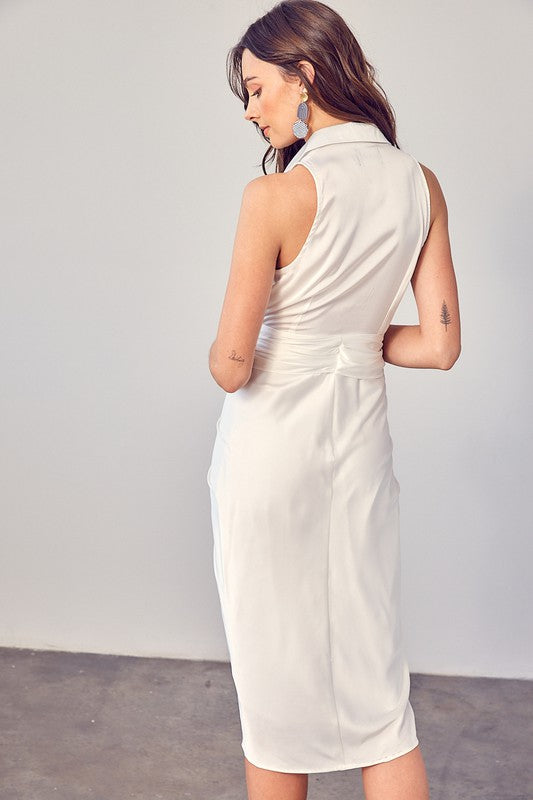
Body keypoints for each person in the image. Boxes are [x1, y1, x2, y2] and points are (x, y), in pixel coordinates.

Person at [206, 1, 461, 798]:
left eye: (254, 89)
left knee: (273, 692)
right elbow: (439, 344)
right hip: (358, 452)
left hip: (269, 458)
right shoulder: (419, 184)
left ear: (304, 75)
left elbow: (232, 364)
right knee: (377, 694)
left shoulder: (273, 197)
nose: (249, 110)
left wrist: (251, 347)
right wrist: (352, 338)